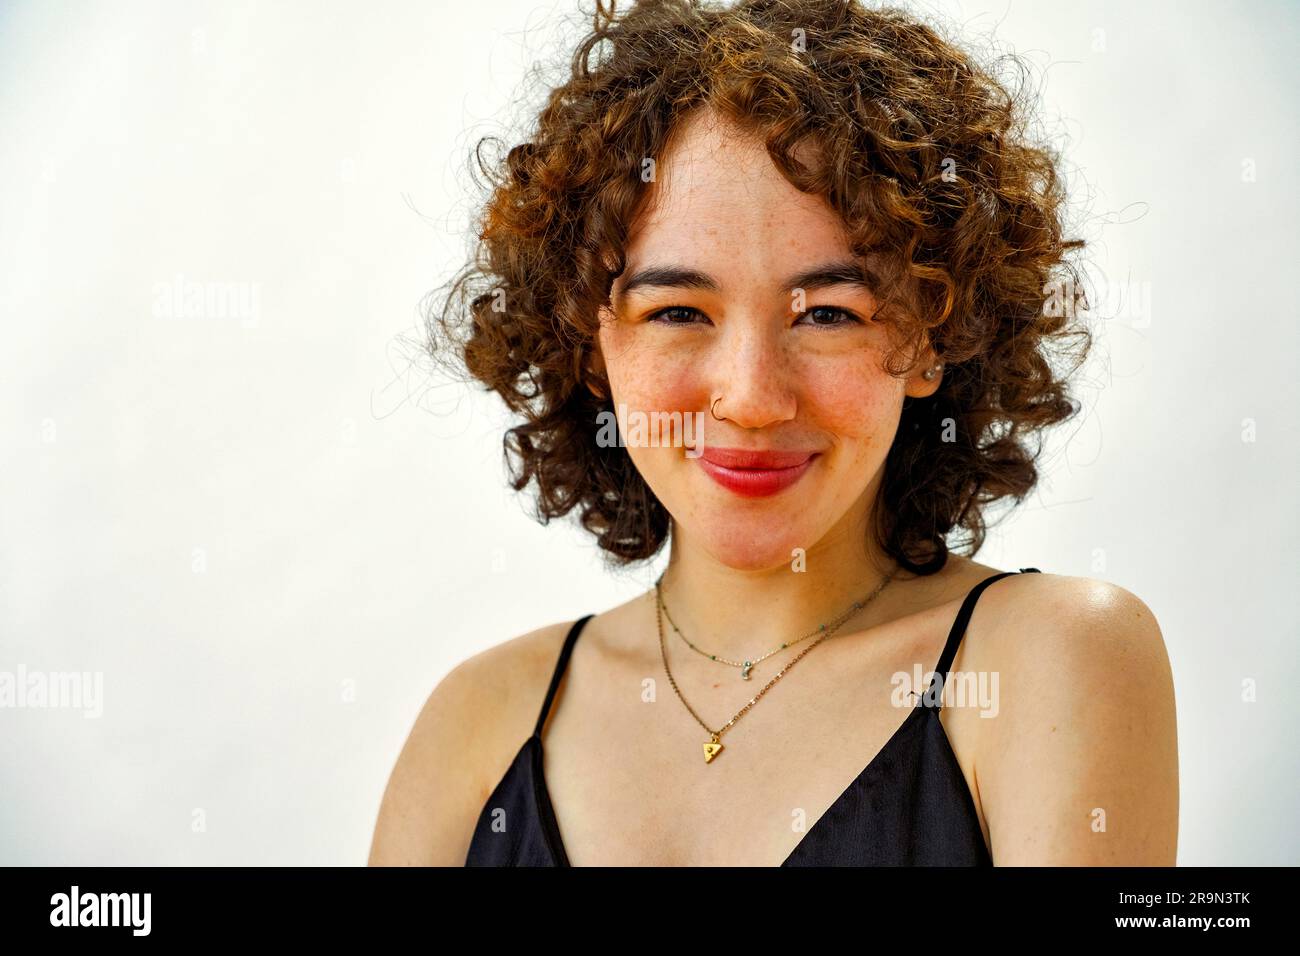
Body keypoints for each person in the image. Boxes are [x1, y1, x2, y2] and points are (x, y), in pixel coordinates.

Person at [369, 0, 1177, 866]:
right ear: (590, 344)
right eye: (678, 310)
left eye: (829, 313)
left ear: (932, 340)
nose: (752, 398)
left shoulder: (1051, 661)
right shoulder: (477, 724)